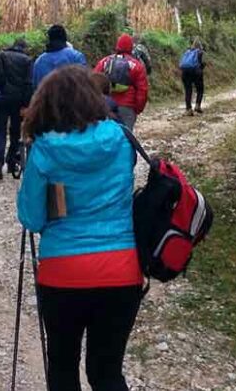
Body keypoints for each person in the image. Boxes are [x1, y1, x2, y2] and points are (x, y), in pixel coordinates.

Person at [18, 65, 142, 391]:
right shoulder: (121, 138)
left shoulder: (44, 150)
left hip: (63, 273)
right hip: (122, 270)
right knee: (107, 373)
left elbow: (31, 219)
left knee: (62, 370)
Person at [0, 38, 33, 180]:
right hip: (18, 102)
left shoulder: (1, 56)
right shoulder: (27, 61)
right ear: (24, 48)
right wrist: (26, 105)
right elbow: (29, 85)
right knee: (15, 132)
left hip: (0, 99)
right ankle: (11, 162)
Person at [93, 34, 149, 130]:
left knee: (106, 134)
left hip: (106, 106)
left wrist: (95, 102)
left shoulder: (104, 61)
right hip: (127, 106)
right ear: (131, 47)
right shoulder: (136, 65)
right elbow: (142, 89)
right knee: (125, 136)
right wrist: (138, 109)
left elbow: (94, 81)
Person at [31, 24, 87, 89]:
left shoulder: (39, 61)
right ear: (65, 38)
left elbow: (35, 88)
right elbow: (85, 84)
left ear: (49, 39)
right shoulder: (76, 57)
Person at [179, 39, 206, 115]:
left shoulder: (187, 51)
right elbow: (202, 64)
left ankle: (188, 109)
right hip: (196, 72)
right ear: (200, 46)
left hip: (185, 72)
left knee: (188, 90)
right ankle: (197, 106)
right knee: (200, 89)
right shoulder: (200, 52)